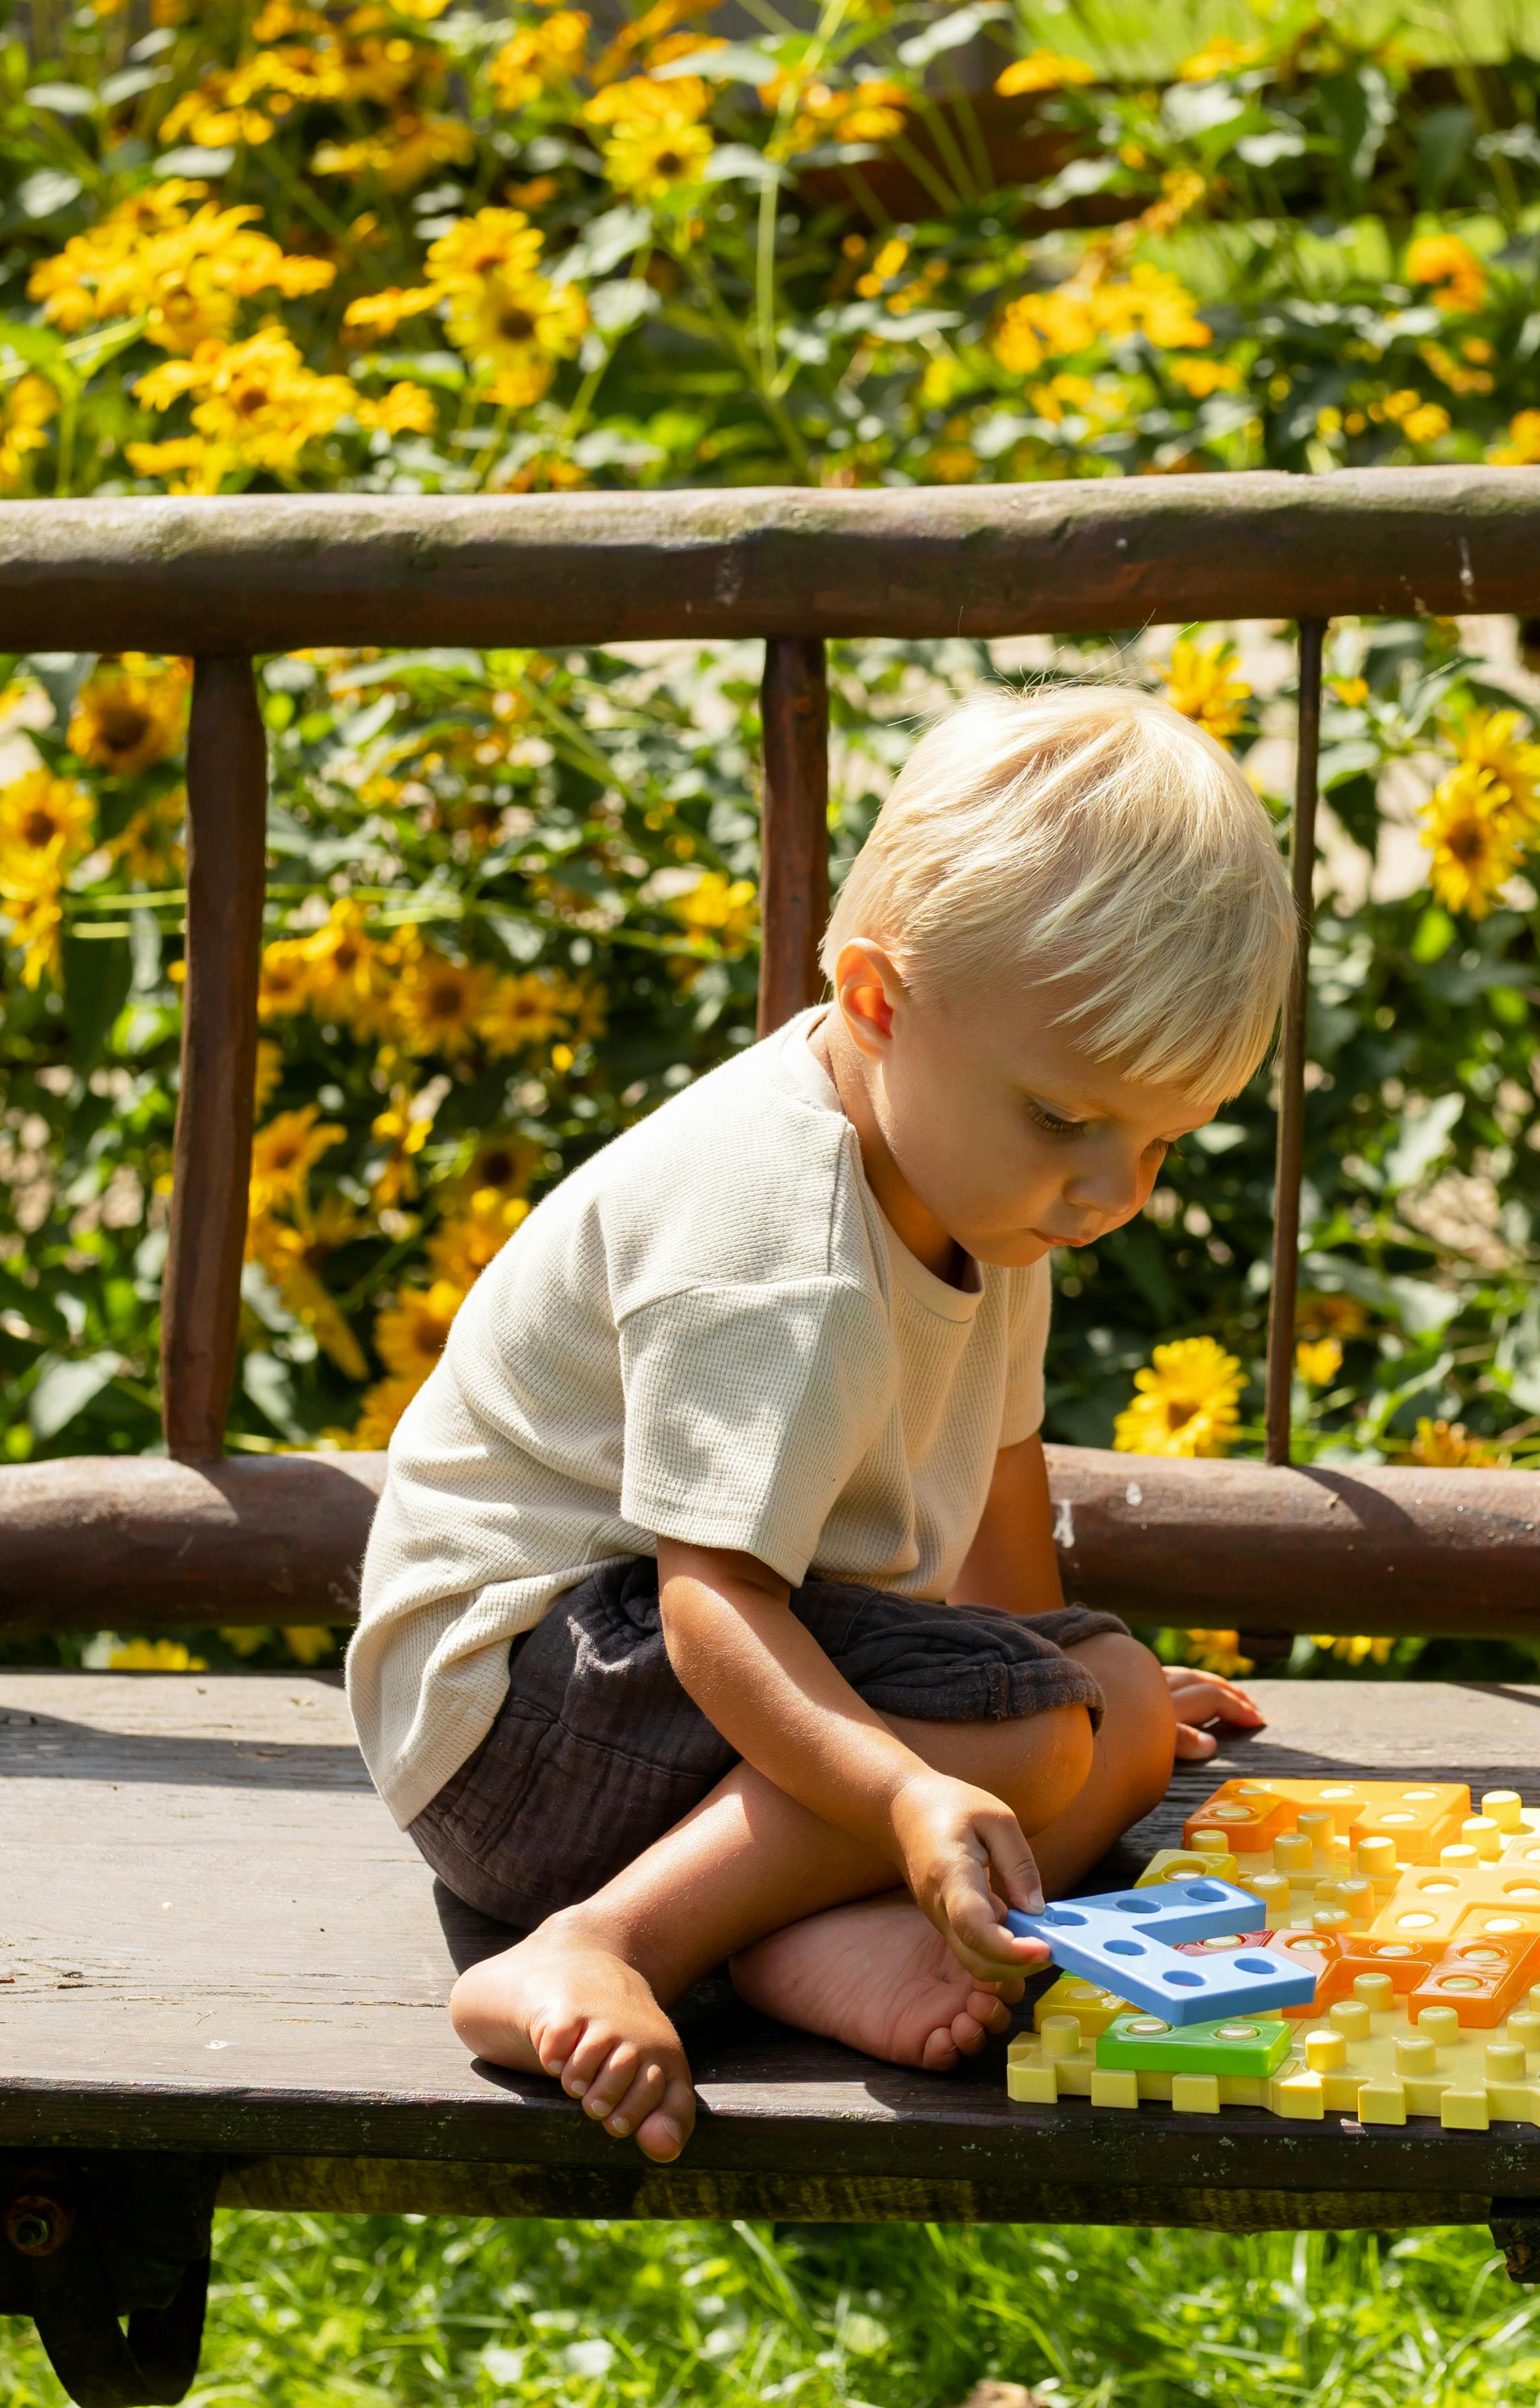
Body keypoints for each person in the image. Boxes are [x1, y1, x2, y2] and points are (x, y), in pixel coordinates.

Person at [346, 681, 1294, 2163]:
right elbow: (709, 1600)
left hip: (674, 1683)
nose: (1113, 1188)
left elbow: (995, 1482)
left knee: (1096, 1699)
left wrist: (1067, 1689)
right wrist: (931, 1772)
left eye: (1162, 1138)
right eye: (1067, 1119)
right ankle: (599, 1942)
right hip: (515, 1705)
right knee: (1029, 1748)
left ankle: (797, 1924)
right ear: (874, 1000)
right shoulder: (776, 1244)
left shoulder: (989, 1184)